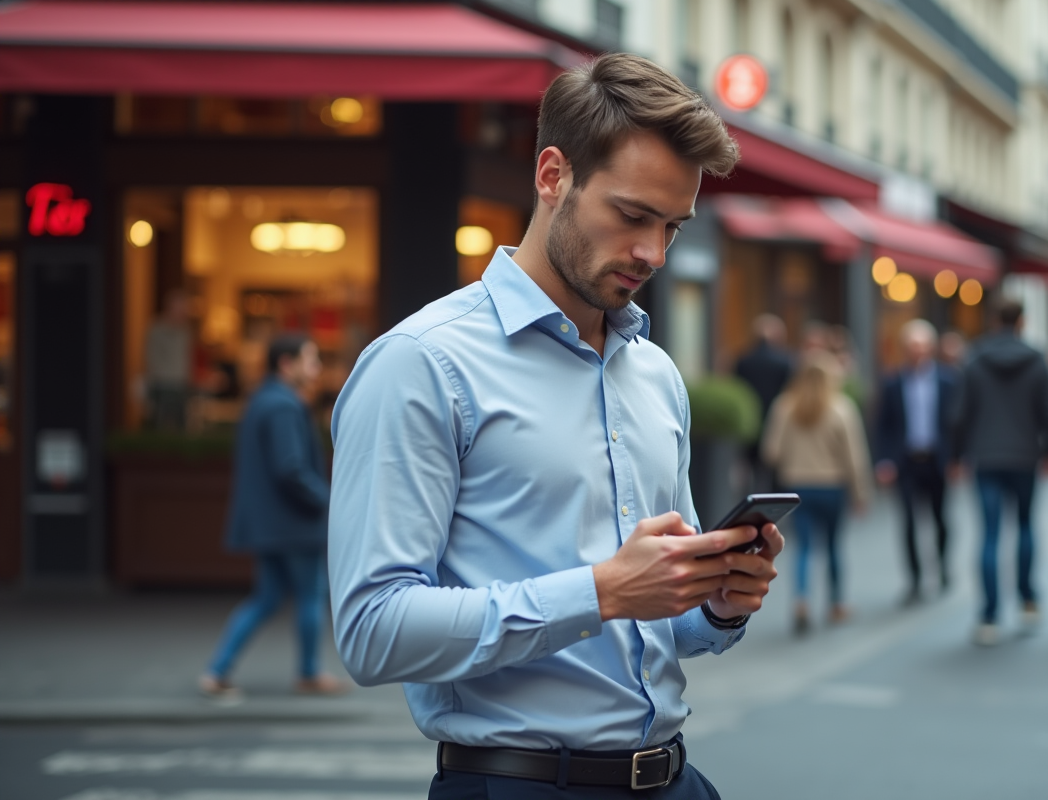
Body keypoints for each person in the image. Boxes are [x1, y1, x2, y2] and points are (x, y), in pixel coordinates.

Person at [328, 54, 784, 799]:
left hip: (675, 779)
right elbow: (373, 631)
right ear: (552, 175)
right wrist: (601, 590)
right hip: (518, 784)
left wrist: (719, 601)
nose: (653, 253)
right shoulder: (421, 364)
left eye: (672, 226)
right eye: (633, 215)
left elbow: (661, 618)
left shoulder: (656, 374)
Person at [199, 333, 346, 700]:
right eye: (310, 361)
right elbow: (291, 468)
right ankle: (309, 673)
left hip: (271, 523)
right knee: (311, 595)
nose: (316, 370)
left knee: (267, 597)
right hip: (294, 522)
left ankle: (218, 670)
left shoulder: (262, 400)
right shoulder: (283, 405)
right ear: (286, 364)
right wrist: (328, 501)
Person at [951, 300, 1048, 646]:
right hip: (1025, 455)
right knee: (1026, 527)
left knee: (989, 535)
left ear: (996, 319)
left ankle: (989, 615)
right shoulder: (1037, 359)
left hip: (986, 456)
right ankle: (1028, 600)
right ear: (1023, 321)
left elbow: (958, 414)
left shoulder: (975, 358)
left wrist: (957, 455)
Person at [762, 351, 872, 633]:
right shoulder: (842, 408)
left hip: (797, 486)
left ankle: (801, 601)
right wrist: (861, 494)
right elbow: (854, 458)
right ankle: (835, 603)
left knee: (803, 547)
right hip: (832, 487)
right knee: (834, 544)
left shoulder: (785, 407)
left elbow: (771, 452)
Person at [875, 319, 959, 604]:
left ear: (932, 348)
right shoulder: (892, 382)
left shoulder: (948, 380)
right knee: (908, 522)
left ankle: (943, 566)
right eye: (912, 347)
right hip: (906, 461)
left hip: (937, 460)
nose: (918, 352)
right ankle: (914, 579)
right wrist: (884, 460)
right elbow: (883, 424)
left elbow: (955, 423)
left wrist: (957, 458)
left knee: (941, 519)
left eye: (922, 347)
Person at [734, 313, 793, 490]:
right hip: (776, 421)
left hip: (751, 421)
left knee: (751, 466)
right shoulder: (785, 361)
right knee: (775, 468)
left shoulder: (743, 360)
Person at [144, 289, 193, 431]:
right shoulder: (156, 329)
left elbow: (187, 358)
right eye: (180, 309)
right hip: (162, 387)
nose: (182, 313)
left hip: (181, 386)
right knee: (160, 429)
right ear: (170, 308)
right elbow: (152, 359)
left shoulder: (185, 331)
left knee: (181, 428)